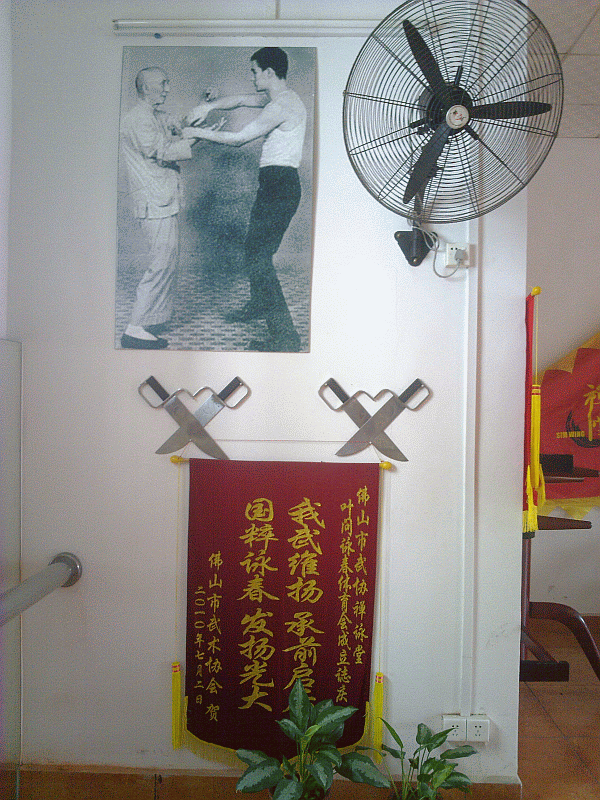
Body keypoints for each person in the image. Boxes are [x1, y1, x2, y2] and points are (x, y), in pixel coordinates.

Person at [185, 47, 307, 352]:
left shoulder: (281, 106)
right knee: (255, 249)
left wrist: (193, 132)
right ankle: (258, 303)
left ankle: (286, 337)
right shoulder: (281, 98)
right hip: (275, 185)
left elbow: (239, 139)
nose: (252, 78)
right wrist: (207, 107)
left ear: (268, 72)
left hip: (279, 186)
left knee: (259, 257)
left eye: (254, 72)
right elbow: (240, 100)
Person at [119, 67, 196, 349]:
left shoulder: (152, 115)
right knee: (161, 262)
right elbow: (165, 152)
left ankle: (149, 321)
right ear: (145, 88)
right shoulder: (138, 119)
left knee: (167, 260)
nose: (167, 89)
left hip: (161, 199)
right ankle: (135, 328)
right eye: (162, 84)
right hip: (153, 202)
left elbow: (177, 124)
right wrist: (200, 136)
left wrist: (203, 108)